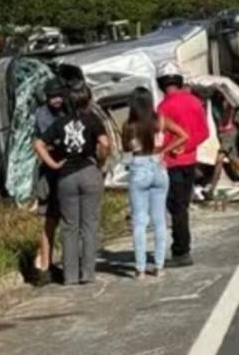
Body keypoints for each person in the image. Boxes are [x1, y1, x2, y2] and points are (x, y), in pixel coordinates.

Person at [35, 83, 109, 286]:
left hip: (65, 176)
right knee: (89, 225)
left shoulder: (60, 123)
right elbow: (105, 143)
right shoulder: (92, 119)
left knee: (69, 227)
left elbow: (38, 143)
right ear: (88, 100)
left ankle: (69, 276)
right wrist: (101, 161)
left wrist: (52, 163)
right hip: (88, 171)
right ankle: (87, 273)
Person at [157, 64, 207, 268]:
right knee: (183, 207)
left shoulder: (162, 107)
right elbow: (204, 132)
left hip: (172, 164)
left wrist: (173, 149)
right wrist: (188, 148)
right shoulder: (195, 102)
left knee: (177, 209)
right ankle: (182, 248)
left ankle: (181, 251)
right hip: (190, 162)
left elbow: (159, 137)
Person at [122, 87, 169, 279]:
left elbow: (126, 148)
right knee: (160, 220)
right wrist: (163, 152)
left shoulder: (129, 126)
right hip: (158, 166)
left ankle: (140, 269)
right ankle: (159, 266)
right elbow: (175, 137)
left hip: (139, 167)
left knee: (140, 221)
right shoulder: (159, 121)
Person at [31, 78, 68, 286]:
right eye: (52, 97)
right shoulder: (42, 115)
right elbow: (49, 141)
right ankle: (44, 266)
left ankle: (63, 263)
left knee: (68, 220)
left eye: (58, 96)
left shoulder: (67, 109)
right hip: (49, 172)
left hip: (67, 170)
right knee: (49, 221)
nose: (56, 100)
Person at [211, 90, 239, 184]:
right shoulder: (216, 104)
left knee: (220, 159)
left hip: (228, 133)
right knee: (234, 158)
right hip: (225, 133)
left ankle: (212, 187)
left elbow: (226, 118)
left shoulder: (228, 104)